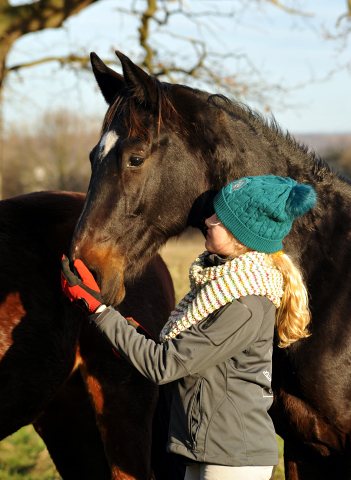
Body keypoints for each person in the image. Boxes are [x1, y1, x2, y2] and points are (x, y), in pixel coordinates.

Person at [61, 175, 317, 480]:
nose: (207, 220)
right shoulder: (220, 287)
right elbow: (186, 358)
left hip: (232, 458)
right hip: (206, 449)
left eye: (220, 218)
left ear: (241, 236)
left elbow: (164, 366)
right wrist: (136, 339)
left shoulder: (244, 304)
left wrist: (98, 310)